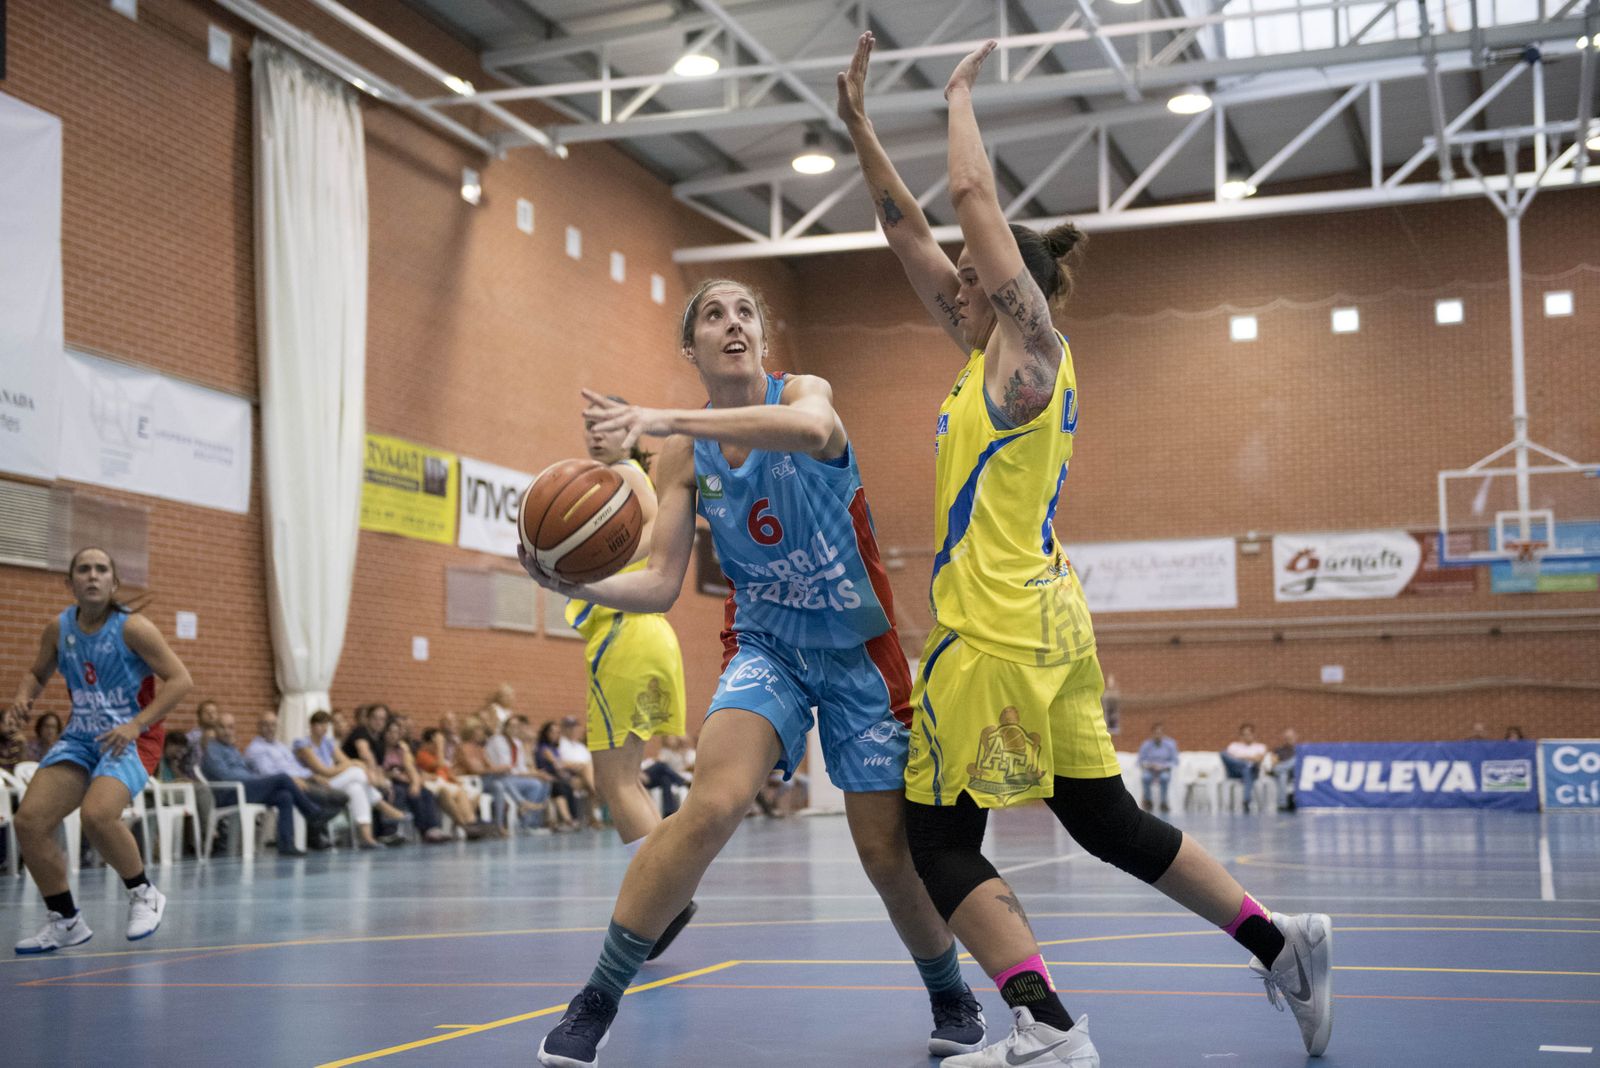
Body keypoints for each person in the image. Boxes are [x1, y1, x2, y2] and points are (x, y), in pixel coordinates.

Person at [837, 34, 1333, 1066]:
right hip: (1052, 620)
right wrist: (860, 130)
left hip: (993, 629)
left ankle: (1048, 1028)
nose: (953, 287)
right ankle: (1279, 943)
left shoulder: (1030, 352)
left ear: (1011, 285)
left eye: (971, 276)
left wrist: (957, 97)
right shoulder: (987, 357)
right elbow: (909, 233)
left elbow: (967, 196)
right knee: (1105, 820)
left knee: (937, 843)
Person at [521, 276, 985, 1068]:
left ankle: (950, 991)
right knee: (711, 805)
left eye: (745, 312)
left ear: (763, 338)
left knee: (884, 853)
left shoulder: (802, 393)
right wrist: (574, 583)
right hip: (766, 645)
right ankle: (594, 1001)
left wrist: (665, 417)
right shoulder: (681, 453)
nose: (732, 323)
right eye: (713, 314)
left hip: (857, 650)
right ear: (692, 345)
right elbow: (660, 581)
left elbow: (811, 429)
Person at [10, 548, 191, 953]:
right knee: (30, 822)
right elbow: (37, 672)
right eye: (84, 569)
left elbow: (181, 680)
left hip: (132, 737)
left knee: (97, 815)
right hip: (81, 738)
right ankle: (65, 920)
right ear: (70, 582)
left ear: (114, 582)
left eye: (101, 569)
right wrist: (23, 698)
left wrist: (136, 724)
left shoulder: (134, 628)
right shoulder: (58, 629)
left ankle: (144, 894)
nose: (93, 575)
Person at [563, 396, 692, 844]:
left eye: (606, 425)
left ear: (631, 431)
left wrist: (586, 566)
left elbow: (658, 533)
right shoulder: (622, 479)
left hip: (625, 633)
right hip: (646, 633)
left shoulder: (623, 475)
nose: (595, 434)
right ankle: (660, 877)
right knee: (626, 780)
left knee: (614, 782)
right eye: (590, 426)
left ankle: (656, 881)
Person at [202, 712, 333, 856]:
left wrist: (254, 778)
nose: (227, 731)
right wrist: (254, 779)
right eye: (222, 727)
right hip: (229, 794)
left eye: (231, 727)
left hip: (245, 789)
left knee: (285, 796)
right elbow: (225, 776)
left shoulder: (231, 748)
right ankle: (312, 813)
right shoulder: (212, 751)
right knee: (283, 778)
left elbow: (244, 769)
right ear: (215, 729)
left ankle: (286, 845)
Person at [293, 709, 402, 849]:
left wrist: (350, 764)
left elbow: (345, 761)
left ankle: (367, 838)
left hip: (332, 781)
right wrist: (353, 763)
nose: (323, 728)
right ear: (312, 726)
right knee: (357, 772)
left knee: (356, 788)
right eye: (320, 724)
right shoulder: (303, 745)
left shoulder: (328, 743)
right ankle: (382, 806)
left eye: (326, 724)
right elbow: (323, 770)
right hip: (317, 783)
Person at [245, 709, 349, 847]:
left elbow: (295, 766)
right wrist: (293, 779)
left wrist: (313, 776)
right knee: (329, 798)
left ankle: (313, 829)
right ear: (258, 726)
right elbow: (268, 773)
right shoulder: (256, 749)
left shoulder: (281, 746)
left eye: (273, 724)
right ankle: (314, 825)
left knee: (342, 797)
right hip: (283, 785)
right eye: (266, 724)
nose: (270, 728)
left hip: (301, 779)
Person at [1221, 724, 1269, 814]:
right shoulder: (1234, 746)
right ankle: (1245, 765)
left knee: (1247, 769)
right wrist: (1248, 759)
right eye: (1244, 734)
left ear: (1253, 734)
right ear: (1241, 736)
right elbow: (1227, 757)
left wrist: (1239, 757)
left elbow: (1258, 759)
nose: (1247, 737)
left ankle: (1246, 800)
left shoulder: (1260, 746)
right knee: (1223, 753)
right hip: (1235, 771)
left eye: (1249, 734)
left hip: (1253, 771)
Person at [1137, 723, 1180, 813]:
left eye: (1160, 733)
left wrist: (1163, 766)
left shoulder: (1170, 744)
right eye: (1156, 733)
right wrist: (1149, 765)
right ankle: (1148, 801)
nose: (1158, 735)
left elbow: (1175, 761)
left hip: (1164, 770)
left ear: (1163, 733)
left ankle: (1163, 802)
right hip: (1150, 770)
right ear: (1152, 734)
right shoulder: (1146, 745)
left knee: (1164, 778)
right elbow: (1140, 760)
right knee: (1145, 777)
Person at [1270, 729, 1299, 812]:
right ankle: (1282, 805)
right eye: (1287, 738)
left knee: (1295, 760)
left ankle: (1282, 803)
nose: (1289, 740)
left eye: (1291, 738)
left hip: (1296, 772)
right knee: (1283, 774)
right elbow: (1273, 764)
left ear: (1296, 737)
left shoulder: (1300, 750)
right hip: (1282, 773)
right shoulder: (1279, 750)